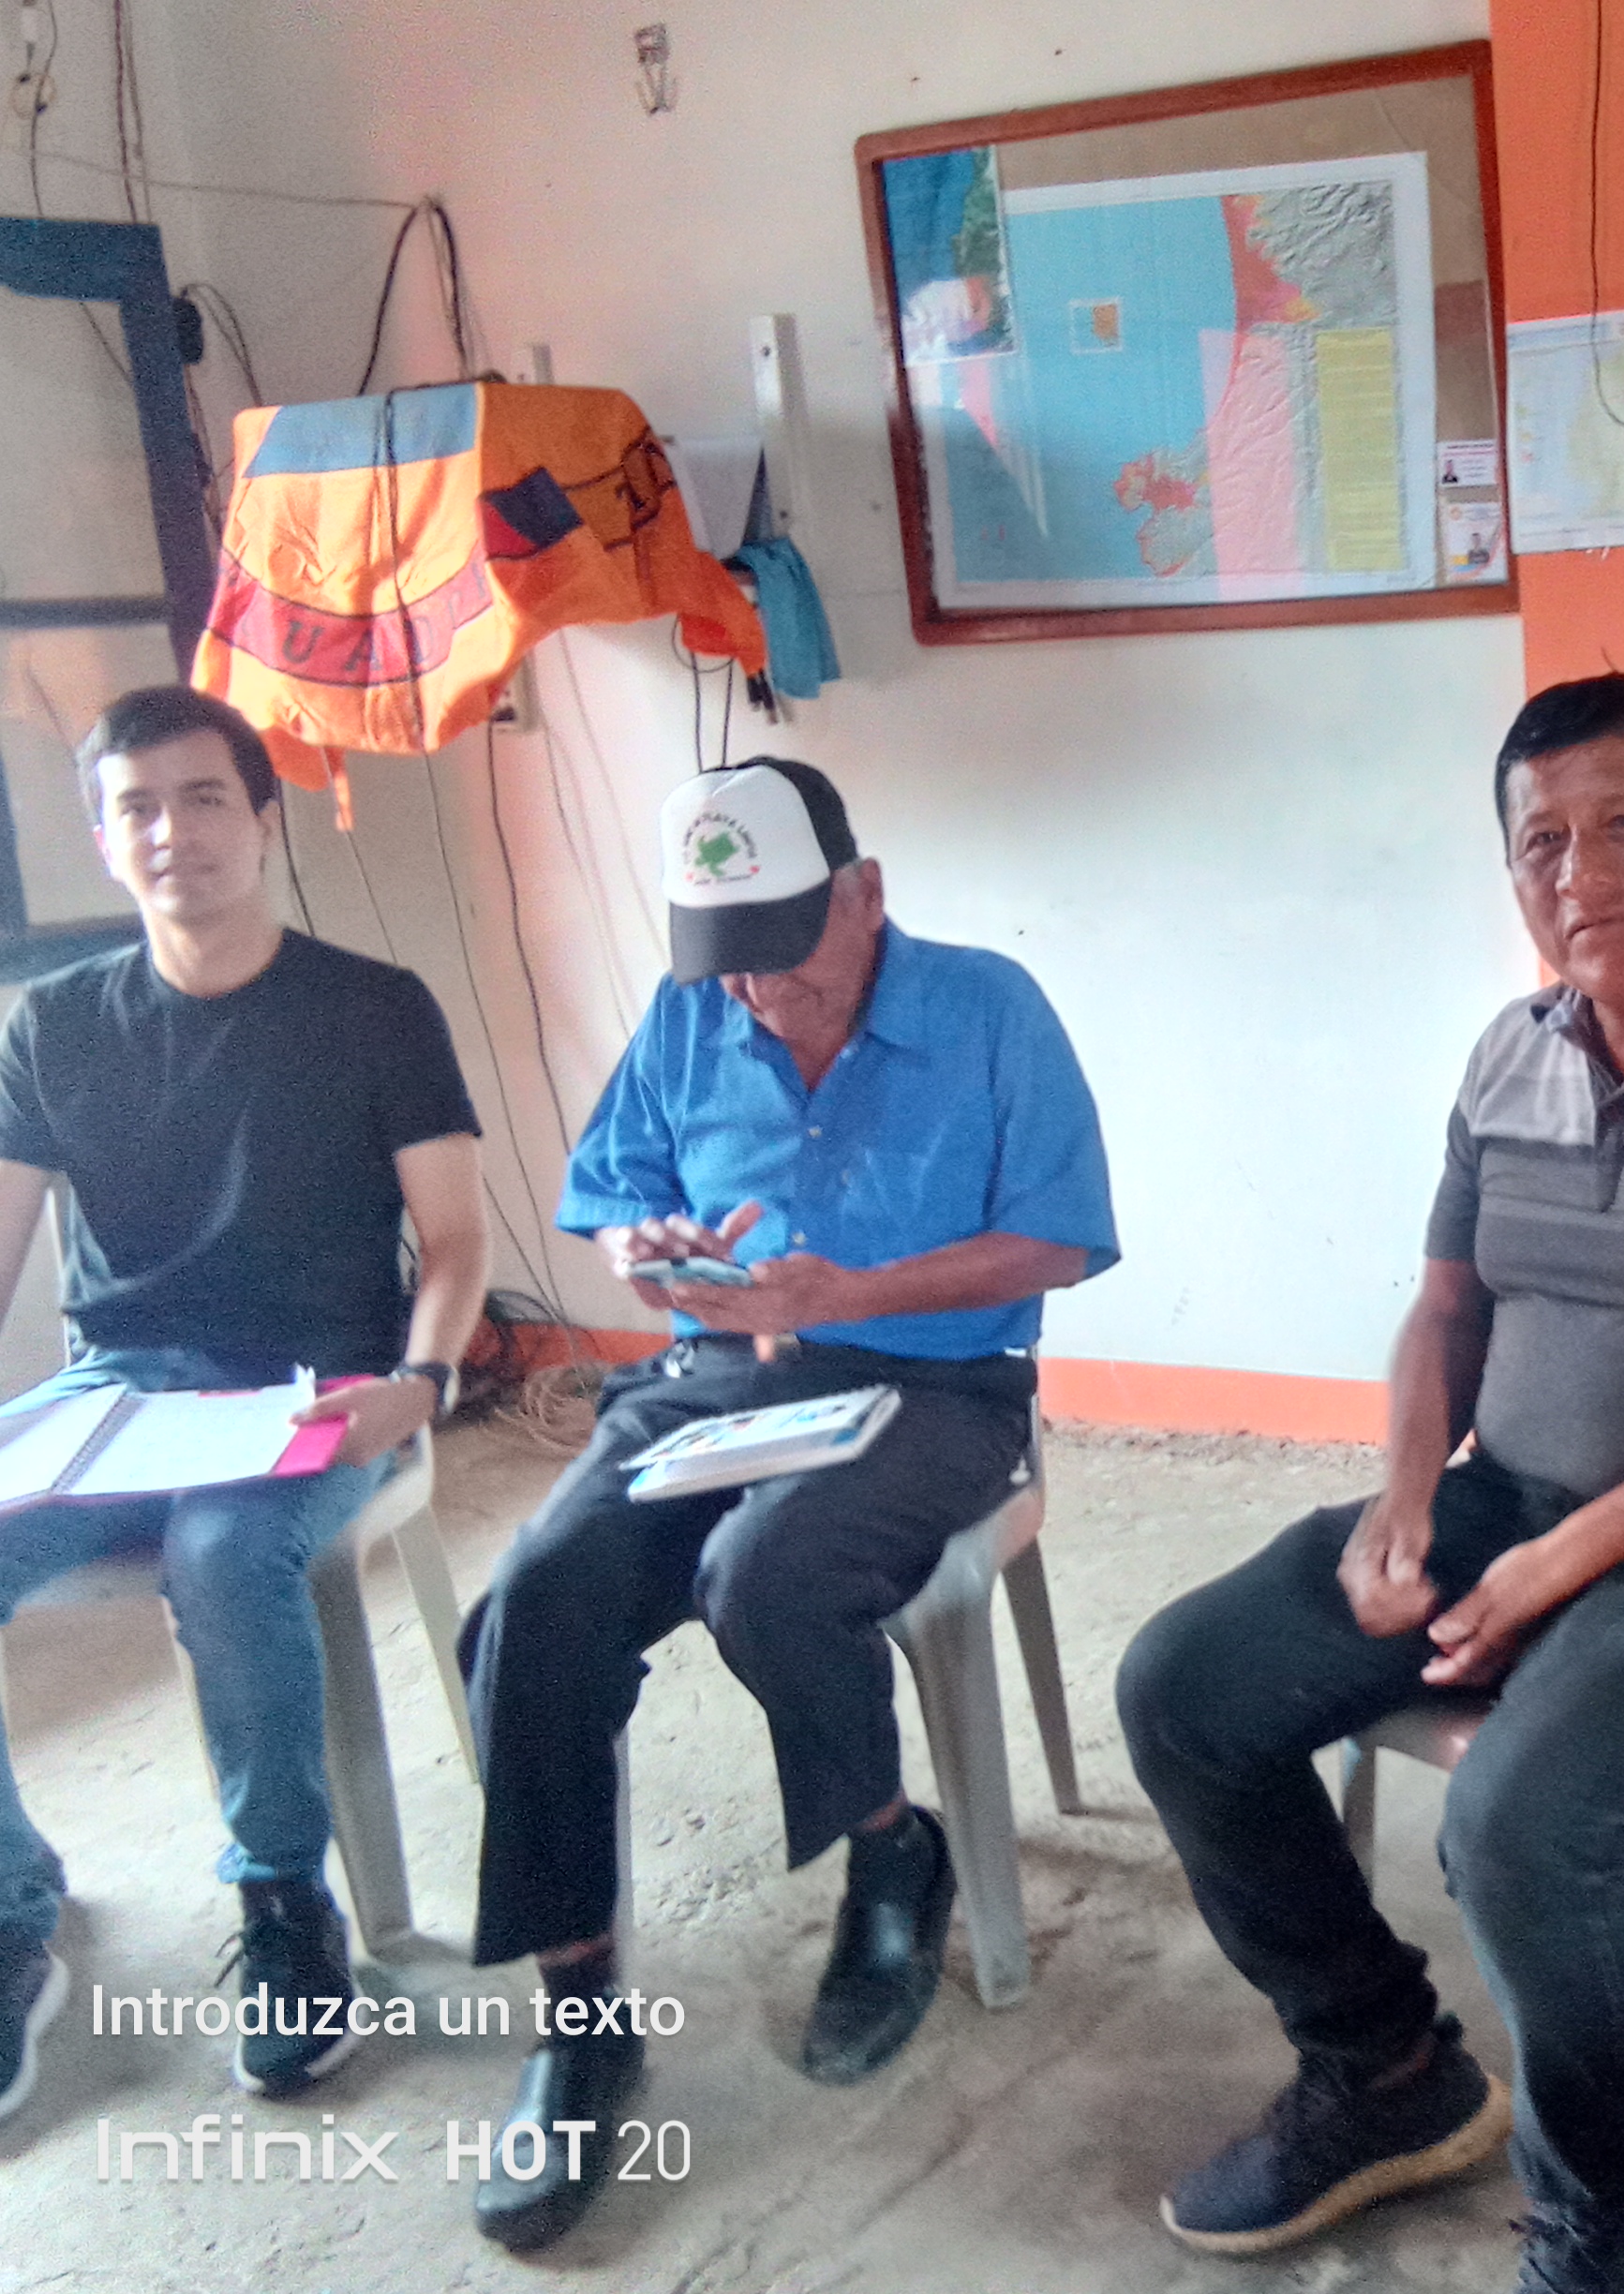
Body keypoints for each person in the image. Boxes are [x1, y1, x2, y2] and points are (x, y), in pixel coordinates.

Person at [1117, 673, 1624, 2294]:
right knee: (1185, 1685)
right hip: (1508, 1501)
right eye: (1541, 843)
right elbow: (1447, 1312)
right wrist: (1406, 1503)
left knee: (1518, 1821)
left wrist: (1570, 1563)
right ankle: (1382, 2066)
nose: (1581, 872)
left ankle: (1599, 2209)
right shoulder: (1511, 1050)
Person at [459, 758, 1118, 2251]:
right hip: (720, 1375)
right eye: (730, 964)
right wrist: (650, 1251)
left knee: (768, 1575)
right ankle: (579, 2007)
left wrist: (853, 1292)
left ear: (865, 893)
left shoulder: (988, 1009)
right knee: (535, 1599)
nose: (760, 995)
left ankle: (892, 1851)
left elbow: (1060, 1243)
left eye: (786, 951)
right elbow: (617, 1191)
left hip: (940, 1388)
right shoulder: (694, 1010)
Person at [0, 685, 487, 2113]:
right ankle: (16, 1915)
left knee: (223, 1556)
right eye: (137, 809)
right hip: (122, 1387)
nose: (174, 832)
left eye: (205, 797)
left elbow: (457, 1243)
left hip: (320, 1386)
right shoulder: (53, 1025)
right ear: (104, 841)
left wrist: (421, 1381)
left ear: (264, 819)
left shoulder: (375, 1009)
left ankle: (284, 1905)